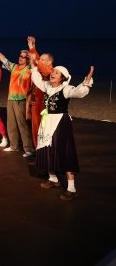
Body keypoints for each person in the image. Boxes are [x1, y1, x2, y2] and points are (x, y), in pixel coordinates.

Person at [30, 57, 94, 201]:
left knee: (64, 152)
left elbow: (79, 92)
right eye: (53, 71)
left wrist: (87, 80)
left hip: (60, 122)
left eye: (57, 73)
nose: (53, 73)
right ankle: (53, 179)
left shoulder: (65, 89)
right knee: (46, 148)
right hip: (47, 122)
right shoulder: (48, 86)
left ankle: (71, 188)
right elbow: (37, 80)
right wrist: (34, 67)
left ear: (63, 78)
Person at [0, 46, 34, 157]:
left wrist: (32, 48)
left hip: (22, 99)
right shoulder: (14, 67)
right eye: (20, 56)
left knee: (22, 124)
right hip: (11, 98)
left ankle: (28, 149)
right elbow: (3, 59)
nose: (20, 58)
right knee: (11, 123)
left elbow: (36, 61)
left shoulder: (30, 69)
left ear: (28, 59)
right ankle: (14, 146)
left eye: (23, 57)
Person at [27, 36, 54, 149]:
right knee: (35, 128)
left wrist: (36, 58)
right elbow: (38, 62)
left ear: (50, 62)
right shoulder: (41, 67)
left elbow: (41, 67)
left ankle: (45, 151)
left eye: (43, 60)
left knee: (43, 129)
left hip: (44, 106)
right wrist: (32, 46)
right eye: (41, 59)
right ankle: (38, 152)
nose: (40, 61)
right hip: (35, 102)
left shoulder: (51, 71)